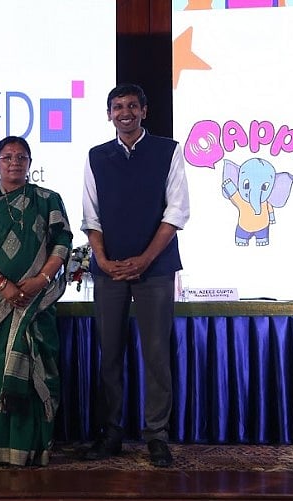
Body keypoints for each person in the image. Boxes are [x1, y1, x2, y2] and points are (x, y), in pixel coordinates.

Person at [80, 83, 190, 468]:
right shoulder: (96, 156)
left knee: (156, 354)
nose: (124, 113)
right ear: (109, 114)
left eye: (131, 106)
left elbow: (177, 212)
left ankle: (156, 435)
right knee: (109, 353)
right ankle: (110, 433)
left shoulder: (168, 151)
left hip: (155, 269)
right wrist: (102, 259)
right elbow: (90, 216)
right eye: (117, 107)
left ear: (144, 110)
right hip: (108, 269)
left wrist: (144, 259)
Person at [0, 136, 73, 466]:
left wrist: (41, 280)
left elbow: (62, 242)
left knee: (37, 364)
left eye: (21, 157)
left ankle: (32, 447)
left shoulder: (48, 199)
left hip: (37, 302)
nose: (14, 162)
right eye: (7, 157)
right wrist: (2, 284)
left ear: (30, 163)